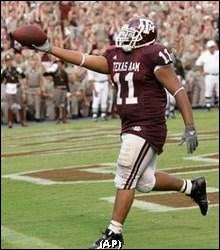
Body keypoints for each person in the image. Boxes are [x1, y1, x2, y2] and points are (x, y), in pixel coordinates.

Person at [30, 17, 208, 249]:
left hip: (147, 125)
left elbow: (179, 90)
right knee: (144, 181)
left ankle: (114, 235)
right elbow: (84, 60)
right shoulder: (116, 56)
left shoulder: (153, 55)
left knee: (125, 172)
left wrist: (190, 125)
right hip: (128, 125)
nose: (127, 36)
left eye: (133, 33)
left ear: (146, 38)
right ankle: (192, 187)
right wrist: (50, 49)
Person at [1, 53, 27, 128]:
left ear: (12, 61)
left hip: (17, 87)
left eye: (10, 60)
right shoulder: (4, 71)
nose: (8, 62)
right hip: (9, 88)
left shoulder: (16, 69)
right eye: (7, 61)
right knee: (10, 106)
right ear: (5, 62)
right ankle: (10, 122)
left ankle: (23, 121)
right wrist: (4, 82)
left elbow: (23, 76)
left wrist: (23, 84)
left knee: (20, 105)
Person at [195, 40, 219, 110]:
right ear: (208, 48)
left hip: (217, 74)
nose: (212, 48)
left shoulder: (218, 53)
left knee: (218, 90)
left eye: (213, 47)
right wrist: (202, 71)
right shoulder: (204, 55)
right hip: (209, 75)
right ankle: (208, 106)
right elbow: (198, 64)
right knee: (209, 90)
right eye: (211, 47)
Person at [88, 49, 109, 121]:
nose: (96, 56)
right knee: (96, 99)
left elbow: (107, 74)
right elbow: (91, 79)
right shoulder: (90, 64)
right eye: (95, 54)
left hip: (105, 82)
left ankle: (103, 114)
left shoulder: (103, 62)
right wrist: (94, 88)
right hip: (97, 83)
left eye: (97, 54)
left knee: (104, 99)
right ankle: (95, 115)